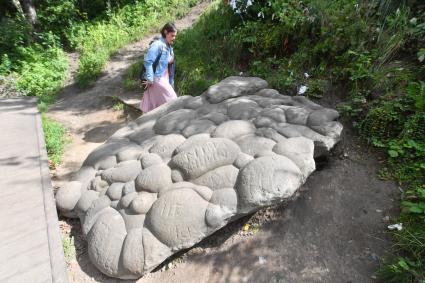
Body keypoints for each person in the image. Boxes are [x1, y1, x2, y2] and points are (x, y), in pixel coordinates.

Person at [140, 22, 178, 113]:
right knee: (173, 100)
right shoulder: (157, 45)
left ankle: (149, 124)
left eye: (175, 36)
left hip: (164, 78)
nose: (174, 38)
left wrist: (171, 82)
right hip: (157, 79)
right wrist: (150, 78)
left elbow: (169, 67)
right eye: (172, 35)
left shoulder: (168, 47)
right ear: (165, 32)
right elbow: (148, 61)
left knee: (153, 105)